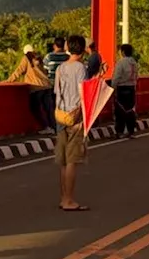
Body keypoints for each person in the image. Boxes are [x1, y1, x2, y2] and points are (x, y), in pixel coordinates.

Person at [54, 34, 89, 211]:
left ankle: (63, 198)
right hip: (74, 117)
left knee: (62, 161)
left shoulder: (60, 68)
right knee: (71, 161)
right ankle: (69, 200)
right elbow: (84, 93)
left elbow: (57, 92)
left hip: (60, 115)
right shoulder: (81, 68)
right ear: (82, 49)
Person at [8, 44, 55, 135]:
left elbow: (19, 71)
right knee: (48, 108)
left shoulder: (26, 58)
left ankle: (46, 126)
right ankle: (54, 127)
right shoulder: (39, 58)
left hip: (36, 87)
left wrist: (8, 81)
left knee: (34, 108)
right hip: (47, 86)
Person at [110, 43, 139, 138]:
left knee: (120, 110)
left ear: (122, 52)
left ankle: (119, 131)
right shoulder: (134, 62)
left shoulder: (121, 62)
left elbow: (116, 77)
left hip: (121, 88)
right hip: (131, 88)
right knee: (130, 109)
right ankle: (131, 130)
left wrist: (112, 88)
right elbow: (136, 76)